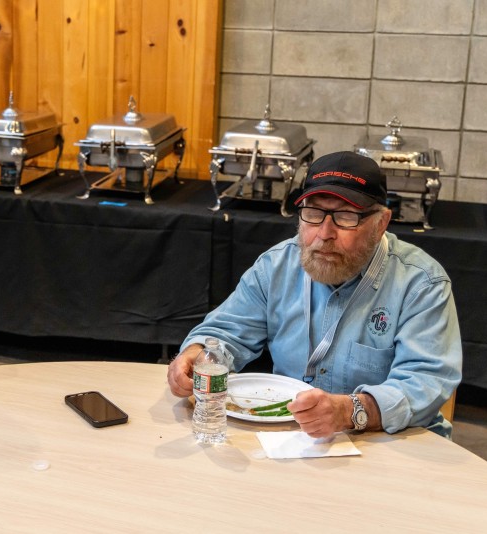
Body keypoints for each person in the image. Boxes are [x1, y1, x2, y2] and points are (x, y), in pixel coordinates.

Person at [168, 151, 462, 438]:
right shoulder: (276, 267)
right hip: (292, 438)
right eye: (313, 214)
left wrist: (350, 411)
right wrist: (194, 355)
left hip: (393, 442)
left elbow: (426, 380)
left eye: (345, 217)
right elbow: (226, 332)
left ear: (381, 223)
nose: (324, 233)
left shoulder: (421, 284)